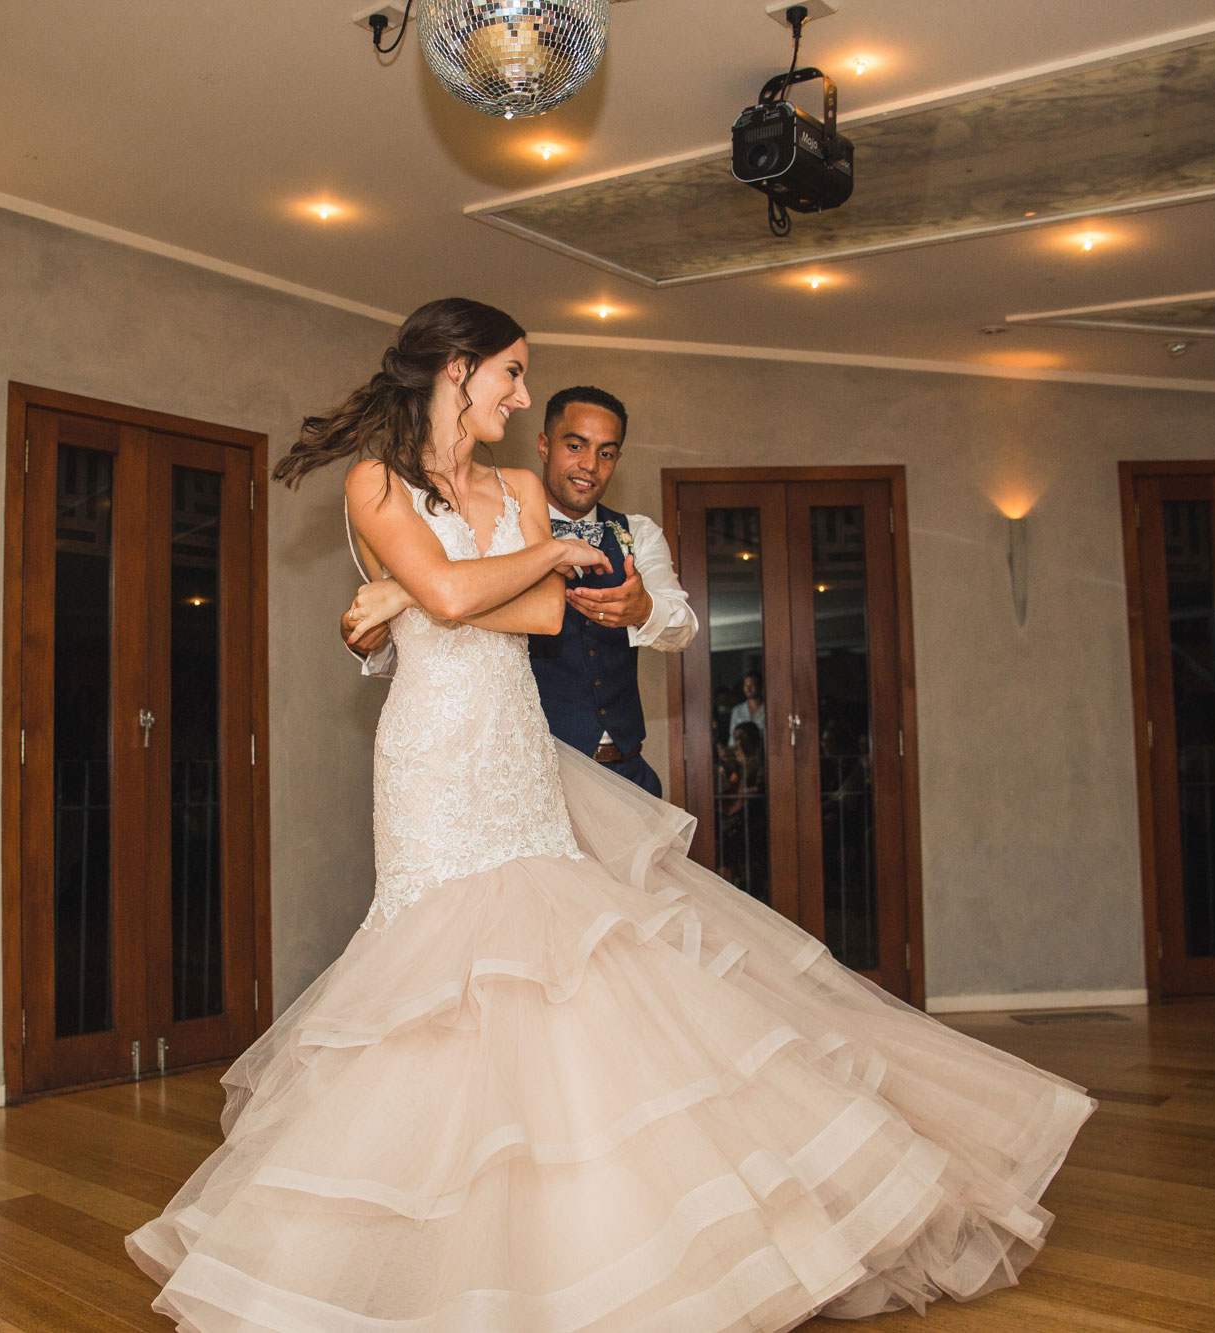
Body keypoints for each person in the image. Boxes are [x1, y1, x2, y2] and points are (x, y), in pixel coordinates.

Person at [125, 298, 1095, 1330]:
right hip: (431, 754)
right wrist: (465, 582)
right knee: (438, 977)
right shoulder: (375, 480)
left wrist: (415, 593)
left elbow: (531, 615)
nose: (521, 393)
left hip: (512, 747)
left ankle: (577, 1249)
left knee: (559, 972)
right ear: (456, 370)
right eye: (509, 372)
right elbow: (470, 598)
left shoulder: (519, 484)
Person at [345, 384, 694, 796]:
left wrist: (644, 610)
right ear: (544, 446)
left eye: (606, 452)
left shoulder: (637, 534)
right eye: (575, 445)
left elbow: (684, 628)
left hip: (624, 772)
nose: (589, 465)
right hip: (522, 770)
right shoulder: (494, 529)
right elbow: (429, 650)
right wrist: (375, 641)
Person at [729, 669, 767, 741]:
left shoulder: (767, 710)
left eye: (752, 685)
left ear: (760, 686)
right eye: (746, 686)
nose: (748, 689)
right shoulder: (737, 710)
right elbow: (732, 737)